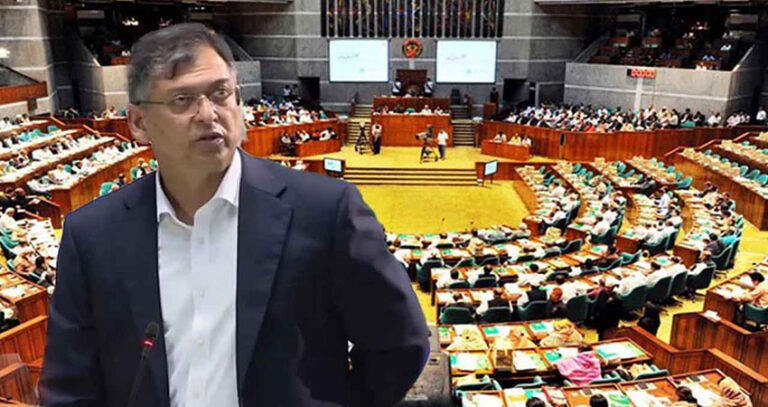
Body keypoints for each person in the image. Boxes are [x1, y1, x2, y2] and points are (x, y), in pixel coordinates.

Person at [40, 23, 429, 407]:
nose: (208, 114)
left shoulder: (325, 212)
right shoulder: (91, 235)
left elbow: (400, 343)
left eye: (220, 93)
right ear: (139, 123)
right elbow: (69, 386)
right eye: (182, 100)